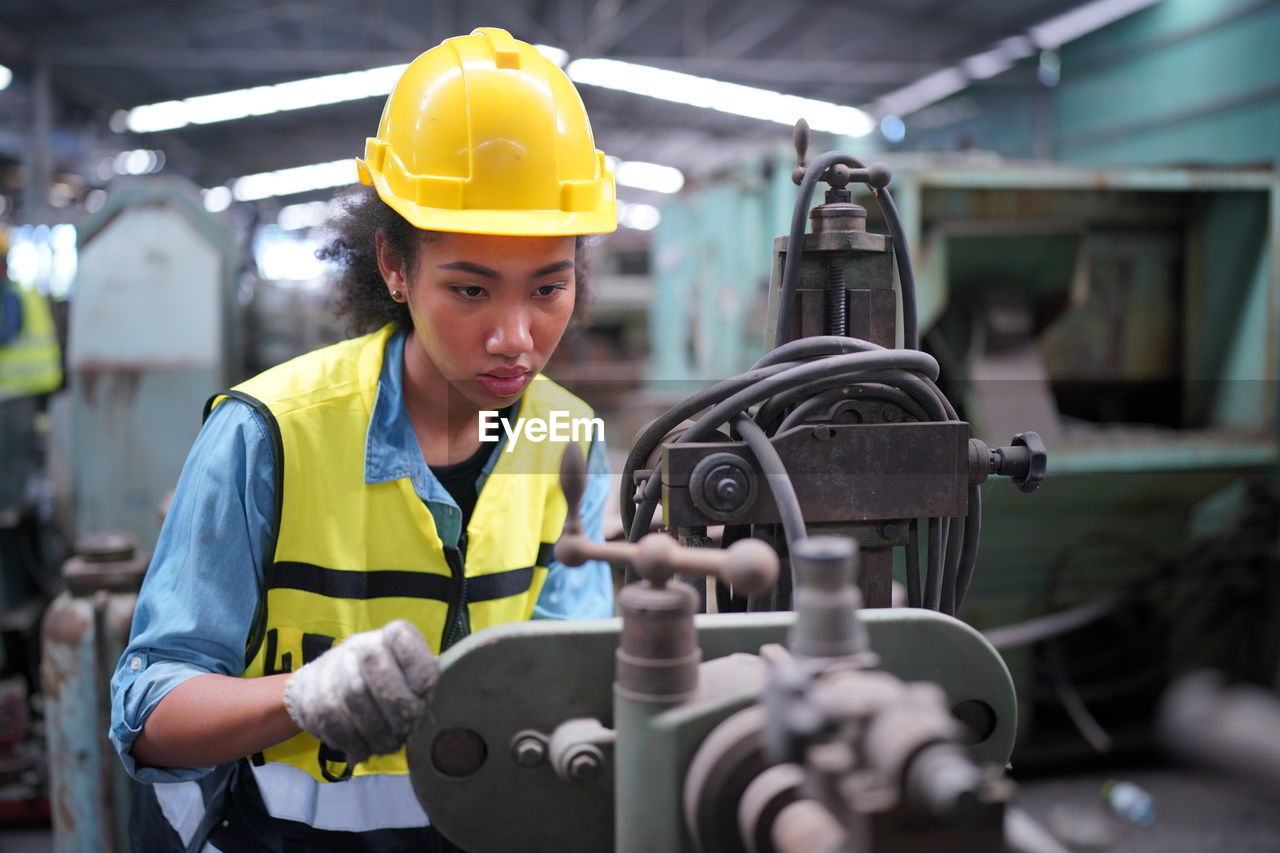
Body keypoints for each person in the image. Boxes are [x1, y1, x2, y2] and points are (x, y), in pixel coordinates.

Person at [109, 27, 618, 852]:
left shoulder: (569, 435)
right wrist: (298, 697)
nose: (516, 336)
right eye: (470, 288)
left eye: (549, 287)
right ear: (393, 265)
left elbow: (572, 676)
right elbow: (149, 713)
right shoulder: (268, 433)